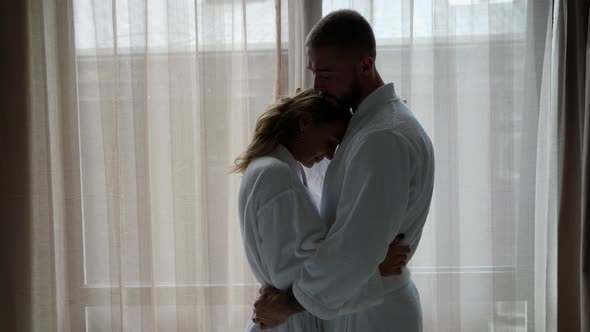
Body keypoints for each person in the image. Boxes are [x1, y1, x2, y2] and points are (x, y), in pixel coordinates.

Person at [253, 10, 435, 332]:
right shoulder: (374, 127)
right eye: (313, 72)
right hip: (361, 306)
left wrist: (288, 304)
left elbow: (354, 250)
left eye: (325, 74)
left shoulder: (382, 138)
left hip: (373, 316)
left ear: (365, 65)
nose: (317, 87)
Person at [234, 89, 410, 331]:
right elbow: (297, 274)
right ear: (305, 122)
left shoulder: (268, 170)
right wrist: (376, 269)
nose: (329, 155)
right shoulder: (275, 175)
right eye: (330, 142)